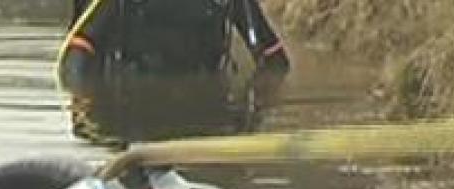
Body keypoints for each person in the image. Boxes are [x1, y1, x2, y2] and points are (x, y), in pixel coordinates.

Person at [58, 0, 290, 95]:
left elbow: (272, 59)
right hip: (132, 104)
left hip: (205, 111)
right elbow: (79, 49)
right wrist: (84, 99)